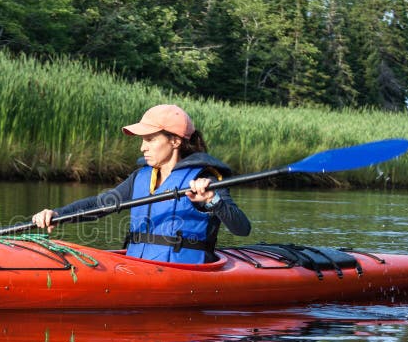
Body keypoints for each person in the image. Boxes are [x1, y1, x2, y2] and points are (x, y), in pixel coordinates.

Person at [31, 104, 251, 263]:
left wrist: (214, 201)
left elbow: (242, 229)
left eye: (150, 139)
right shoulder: (141, 177)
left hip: (186, 270)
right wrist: (58, 214)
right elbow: (99, 205)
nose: (142, 148)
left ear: (175, 141)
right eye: (142, 141)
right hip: (138, 266)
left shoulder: (206, 179)